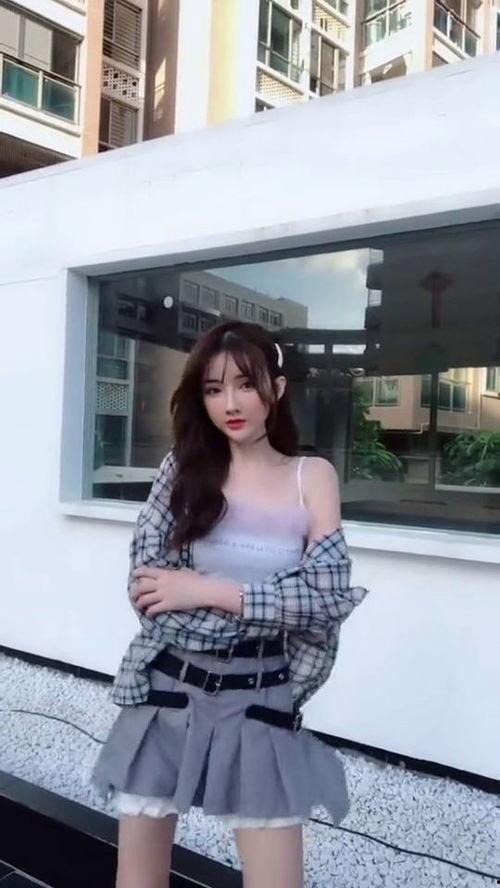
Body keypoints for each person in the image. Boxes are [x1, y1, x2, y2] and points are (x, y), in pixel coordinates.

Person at [91, 320, 369, 888]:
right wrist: (269, 605)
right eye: (214, 389)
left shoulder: (311, 476)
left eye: (246, 384)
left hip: (260, 696)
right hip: (166, 691)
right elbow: (148, 589)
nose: (231, 404)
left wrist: (206, 590)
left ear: (278, 389)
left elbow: (325, 599)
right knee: (138, 880)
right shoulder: (182, 470)